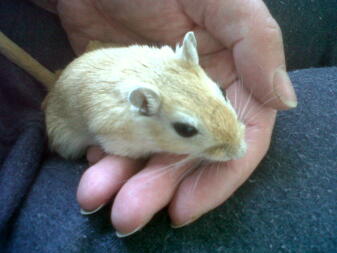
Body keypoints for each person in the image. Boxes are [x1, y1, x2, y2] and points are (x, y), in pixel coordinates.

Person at [0, 0, 336, 252]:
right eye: (187, 129)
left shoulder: (176, 59)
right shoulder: (127, 116)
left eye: (220, 98)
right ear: (143, 106)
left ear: (189, 56)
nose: (236, 148)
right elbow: (112, 140)